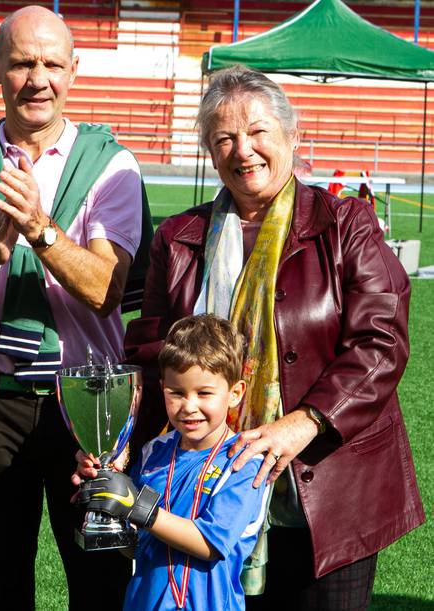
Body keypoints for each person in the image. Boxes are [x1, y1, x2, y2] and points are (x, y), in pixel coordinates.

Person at [86, 65, 424, 610]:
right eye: (224, 138)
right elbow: (151, 360)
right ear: (210, 151)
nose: (243, 150)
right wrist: (121, 447)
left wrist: (304, 422)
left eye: (258, 131)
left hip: (328, 491)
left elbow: (380, 342)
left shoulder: (346, 224)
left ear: (291, 135)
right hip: (205, 493)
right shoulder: (177, 238)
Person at [0, 5, 151, 609]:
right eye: (22, 63)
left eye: (52, 64)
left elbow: (104, 289)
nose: (38, 79)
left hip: (88, 402)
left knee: (100, 583)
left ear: (75, 70)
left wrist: (41, 230)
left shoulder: (112, 165)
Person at [79, 314, 270, 610]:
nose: (189, 406)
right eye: (177, 393)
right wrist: (109, 508)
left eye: (204, 393)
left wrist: (136, 507)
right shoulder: (153, 453)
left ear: (235, 393)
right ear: (162, 388)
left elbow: (209, 545)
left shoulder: (244, 463)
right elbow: (136, 546)